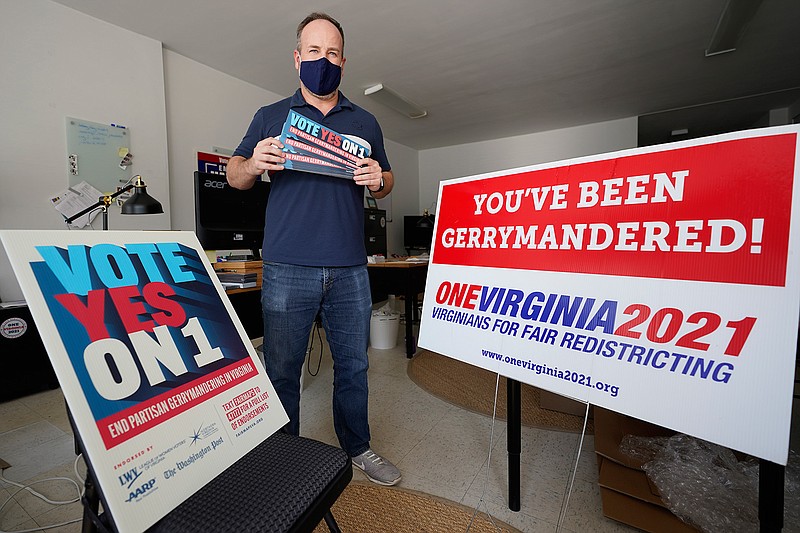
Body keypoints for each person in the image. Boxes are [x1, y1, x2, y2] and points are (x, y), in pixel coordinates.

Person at [227, 12, 400, 486]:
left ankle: (358, 447)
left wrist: (378, 180)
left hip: (350, 270)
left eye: (332, 53)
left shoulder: (364, 121)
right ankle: (282, 457)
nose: (322, 60)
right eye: (313, 51)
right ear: (297, 58)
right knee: (282, 369)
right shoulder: (271, 116)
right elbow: (234, 173)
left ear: (343, 61)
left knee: (354, 367)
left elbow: (386, 180)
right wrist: (253, 162)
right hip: (286, 268)